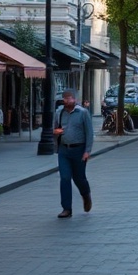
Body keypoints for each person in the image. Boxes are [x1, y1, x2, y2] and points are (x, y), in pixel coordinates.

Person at [53, 89, 94, 219]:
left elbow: (89, 133)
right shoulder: (59, 113)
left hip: (79, 150)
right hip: (64, 150)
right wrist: (56, 132)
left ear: (75, 99)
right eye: (65, 98)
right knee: (65, 178)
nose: (67, 100)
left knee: (79, 178)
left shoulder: (83, 113)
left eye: (69, 98)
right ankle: (66, 208)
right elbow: (54, 129)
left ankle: (86, 194)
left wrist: (87, 151)